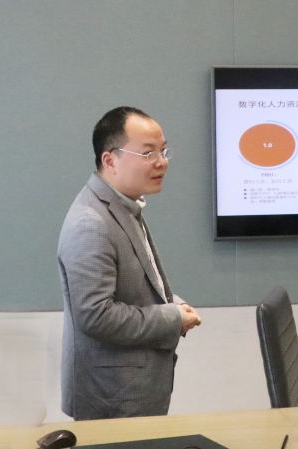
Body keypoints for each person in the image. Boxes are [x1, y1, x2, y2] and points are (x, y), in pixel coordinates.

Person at [57, 106, 201, 420]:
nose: (161, 162)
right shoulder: (91, 223)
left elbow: (135, 285)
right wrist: (171, 318)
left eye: (163, 151)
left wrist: (174, 305)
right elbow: (96, 315)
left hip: (128, 393)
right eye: (148, 153)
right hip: (112, 398)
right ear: (110, 160)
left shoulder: (122, 205)